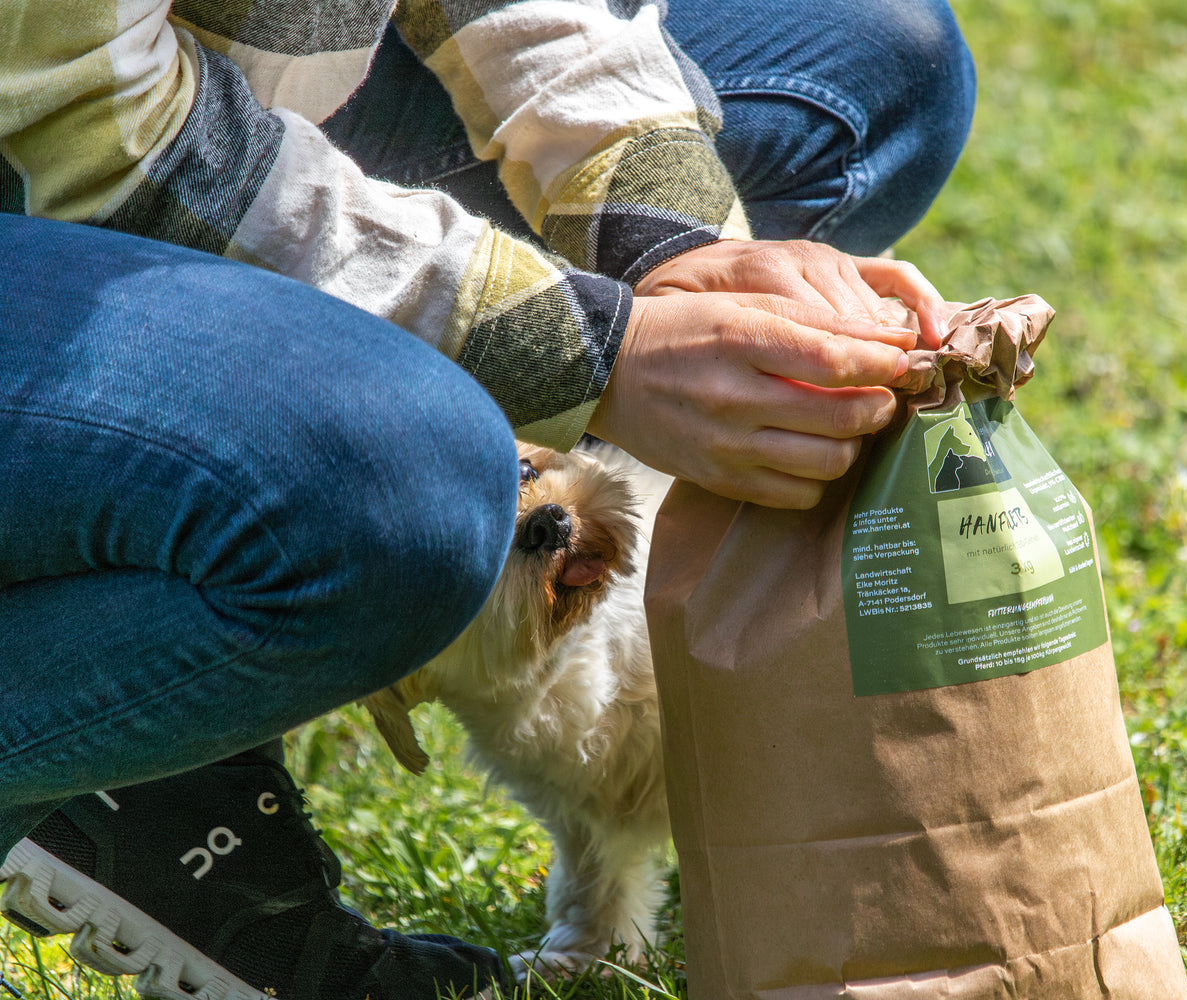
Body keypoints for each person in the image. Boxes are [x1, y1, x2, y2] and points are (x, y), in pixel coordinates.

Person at [0, 0, 975, 996]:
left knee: (875, 74)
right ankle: (118, 713)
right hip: (51, 190)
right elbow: (89, 129)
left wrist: (677, 253)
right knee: (411, 492)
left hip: (235, 106)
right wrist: (592, 349)